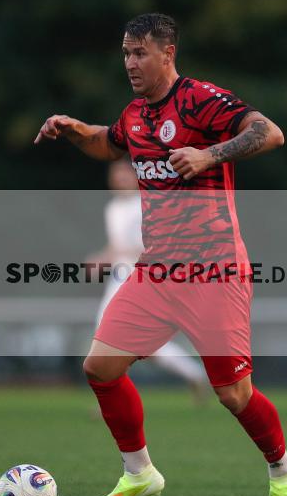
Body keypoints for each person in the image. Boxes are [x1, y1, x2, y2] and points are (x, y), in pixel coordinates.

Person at [34, 13, 287, 496]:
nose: (131, 63)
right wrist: (74, 130)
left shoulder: (200, 99)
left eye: (140, 53)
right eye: (126, 53)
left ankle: (283, 471)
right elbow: (107, 142)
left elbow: (271, 133)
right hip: (158, 270)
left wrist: (209, 155)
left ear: (168, 54)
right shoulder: (135, 114)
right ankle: (139, 473)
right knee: (100, 367)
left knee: (233, 394)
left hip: (215, 268)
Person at [87, 159, 209, 404]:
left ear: (135, 177)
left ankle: (112, 398)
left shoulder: (144, 205)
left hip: (138, 276)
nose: (119, 178)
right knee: (141, 345)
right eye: (115, 173)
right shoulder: (113, 208)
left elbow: (147, 245)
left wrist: (109, 257)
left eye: (124, 173)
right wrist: (104, 257)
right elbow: (117, 245)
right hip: (119, 276)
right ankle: (194, 374)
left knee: (108, 337)